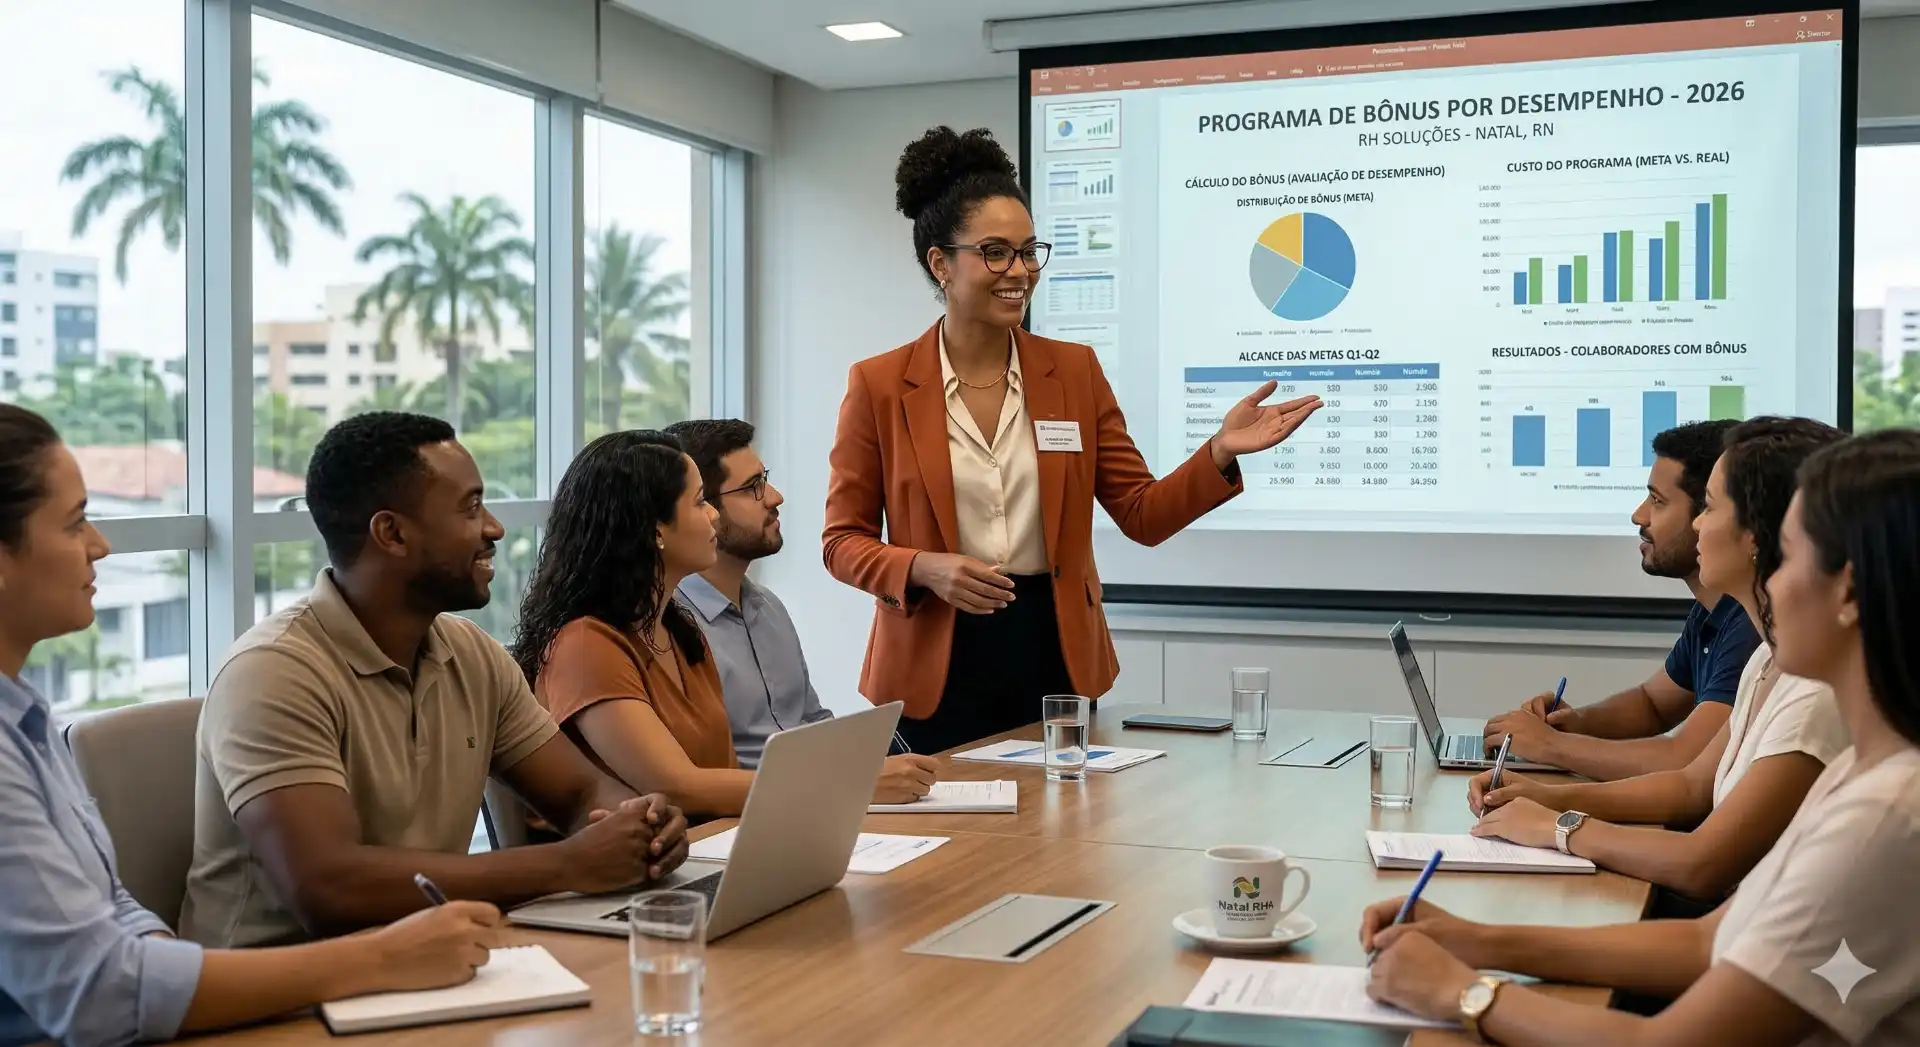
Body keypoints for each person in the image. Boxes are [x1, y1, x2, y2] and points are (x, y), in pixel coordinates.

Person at [1360, 428, 1920, 1046]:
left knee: (1435, 1038)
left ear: (1846, 590)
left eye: (1788, 554)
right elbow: (1711, 941)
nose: (1773, 581)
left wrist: (1466, 992)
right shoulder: (1862, 773)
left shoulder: (1884, 816)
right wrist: (1474, 940)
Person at [0, 404, 503, 1047]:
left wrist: (164, 963)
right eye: (74, 524)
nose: (100, 544)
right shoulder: (275, 667)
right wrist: (384, 959)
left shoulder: (27, 719)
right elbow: (99, 991)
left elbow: (110, 910)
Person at [822, 126, 1322, 755]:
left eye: (1030, 251)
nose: (1020, 272)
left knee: (1063, 847)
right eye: (996, 252)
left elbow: (1141, 513)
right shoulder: (881, 384)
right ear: (940, 264)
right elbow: (841, 542)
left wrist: (1218, 453)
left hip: (1053, 652)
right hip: (933, 659)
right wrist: (924, 567)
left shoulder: (1073, 371)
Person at [182, 413, 688, 948]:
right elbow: (329, 889)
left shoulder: (470, 654)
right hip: (279, 997)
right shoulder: (272, 673)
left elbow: (579, 792)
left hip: (428, 958)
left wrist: (642, 825)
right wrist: (566, 864)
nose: (494, 527)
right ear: (392, 534)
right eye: (471, 507)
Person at [1468, 417, 1849, 902]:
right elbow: (1690, 779)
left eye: (1705, 508)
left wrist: (1559, 812)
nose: (1693, 525)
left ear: (1760, 534)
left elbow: (1701, 851)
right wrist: (1547, 792)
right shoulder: (1768, 662)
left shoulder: (1800, 677)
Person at [663, 419, 941, 798]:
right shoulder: (670, 625)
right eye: (753, 488)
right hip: (746, 815)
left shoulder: (770, 608)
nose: (775, 496)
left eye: (766, 479)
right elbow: (701, 777)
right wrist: (853, 784)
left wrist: (867, 764)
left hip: (816, 802)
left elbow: (812, 724)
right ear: (705, 509)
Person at [1482, 420, 1757, 780]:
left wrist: (1552, 747)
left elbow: (1685, 760)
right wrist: (1576, 724)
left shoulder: (1751, 625)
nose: (1639, 515)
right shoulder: (1712, 611)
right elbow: (1654, 704)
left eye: (1657, 501)